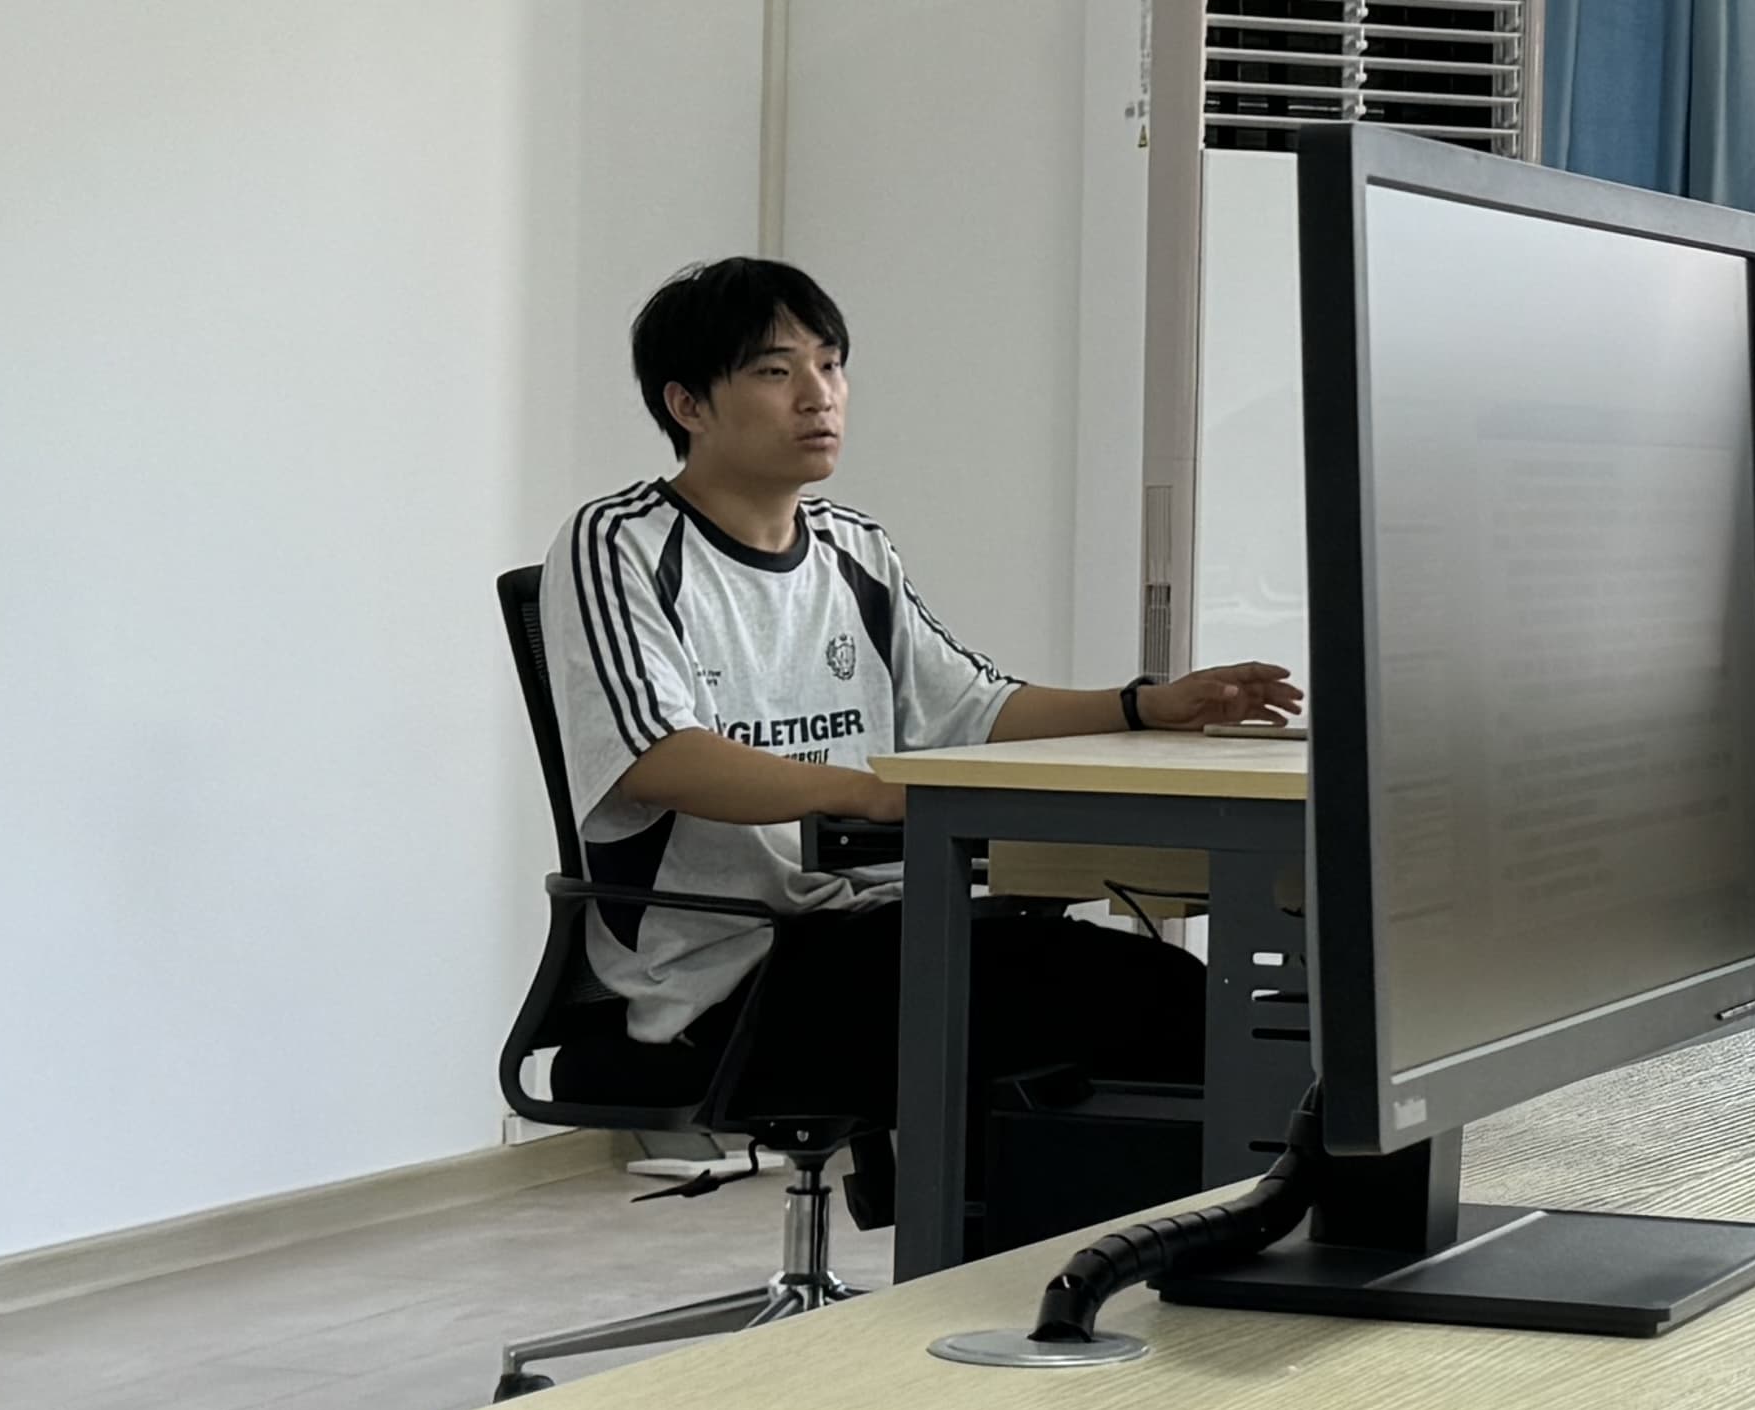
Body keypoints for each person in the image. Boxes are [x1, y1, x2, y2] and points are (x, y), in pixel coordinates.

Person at [544, 255, 1294, 1203]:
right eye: (776, 371)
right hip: (736, 969)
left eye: (831, 365)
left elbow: (972, 706)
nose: (819, 395)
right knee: (1146, 999)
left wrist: (1143, 704)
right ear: (687, 404)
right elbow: (657, 758)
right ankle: (1101, 1257)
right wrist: (869, 791)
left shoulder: (852, 547)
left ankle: (1133, 1250)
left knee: (1162, 1000)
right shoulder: (622, 542)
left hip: (883, 923)